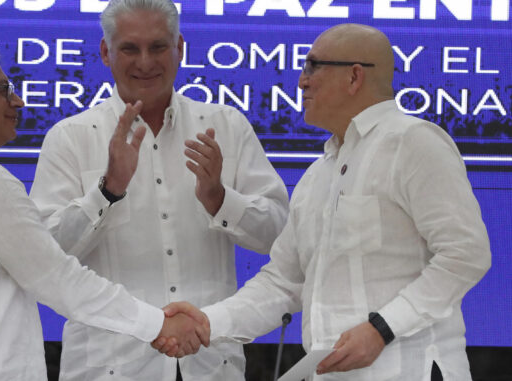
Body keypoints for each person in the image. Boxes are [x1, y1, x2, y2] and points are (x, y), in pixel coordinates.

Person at [157, 24, 491, 380]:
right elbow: (282, 282)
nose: (302, 81)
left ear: (354, 76)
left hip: (411, 370)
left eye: (312, 66)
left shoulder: (412, 142)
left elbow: (465, 254)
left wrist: (382, 328)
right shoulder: (317, 175)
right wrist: (209, 322)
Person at [0, 43, 208, 381]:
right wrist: (157, 324)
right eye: (2, 90)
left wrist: (108, 190)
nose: (18, 101)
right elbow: (57, 277)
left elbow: (39, 250)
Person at [29, 0, 289, 379]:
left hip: (210, 362)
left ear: (180, 48)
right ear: (106, 52)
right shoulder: (71, 137)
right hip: (110, 366)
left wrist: (220, 199)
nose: (146, 62)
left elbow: (281, 235)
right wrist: (107, 191)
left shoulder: (225, 126)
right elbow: (45, 254)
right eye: (130, 48)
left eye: (158, 47)